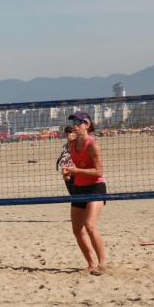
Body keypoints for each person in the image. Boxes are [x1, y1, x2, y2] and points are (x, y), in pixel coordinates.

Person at [62, 112, 108, 275]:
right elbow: (73, 167)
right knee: (77, 229)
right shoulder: (71, 144)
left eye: (79, 122)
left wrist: (77, 170)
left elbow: (98, 171)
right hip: (79, 188)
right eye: (73, 122)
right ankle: (91, 263)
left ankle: (103, 263)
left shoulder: (93, 145)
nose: (75, 125)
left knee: (90, 225)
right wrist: (68, 173)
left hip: (96, 187)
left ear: (87, 125)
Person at [56, 126, 77, 195]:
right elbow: (63, 158)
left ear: (74, 133)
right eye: (66, 132)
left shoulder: (79, 144)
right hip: (67, 175)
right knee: (74, 197)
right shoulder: (65, 146)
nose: (68, 133)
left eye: (70, 132)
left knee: (80, 198)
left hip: (77, 174)